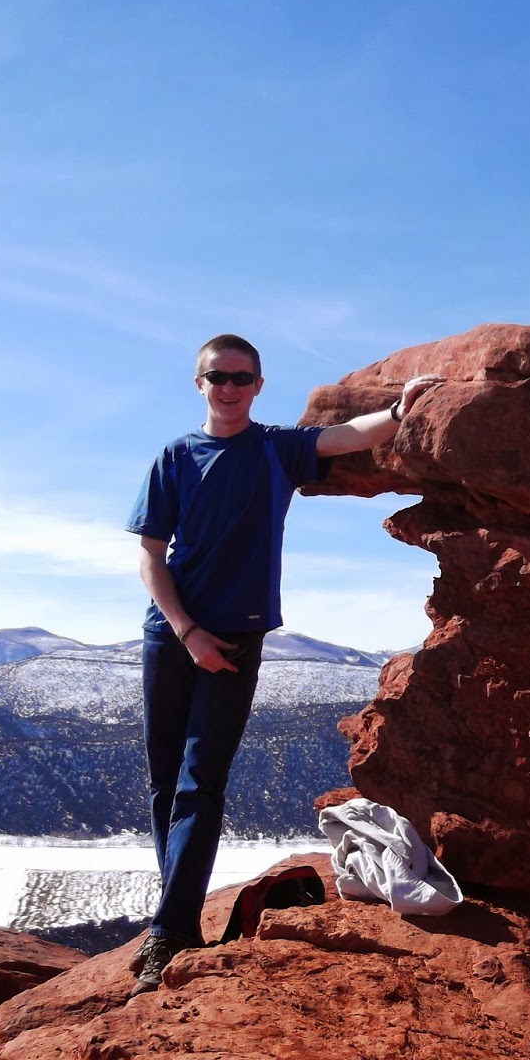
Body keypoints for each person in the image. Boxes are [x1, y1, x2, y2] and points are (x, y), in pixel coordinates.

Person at [124, 332, 438, 996]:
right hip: (173, 633)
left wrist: (403, 410)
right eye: (218, 377)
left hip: (236, 638)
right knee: (162, 782)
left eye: (242, 378)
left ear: (259, 386)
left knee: (198, 782)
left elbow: (346, 437)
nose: (230, 388)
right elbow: (152, 555)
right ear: (199, 383)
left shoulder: (274, 448)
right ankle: (169, 918)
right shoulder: (176, 457)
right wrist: (186, 633)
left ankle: (171, 931)